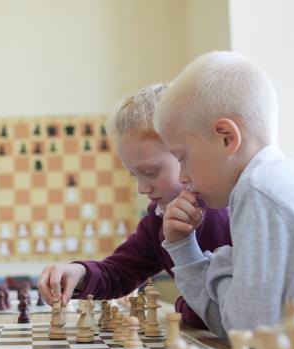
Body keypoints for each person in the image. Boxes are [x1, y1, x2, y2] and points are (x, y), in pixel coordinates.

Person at [156, 51, 294, 349]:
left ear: (227, 137)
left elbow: (246, 333)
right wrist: (190, 251)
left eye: (181, 157)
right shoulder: (274, 180)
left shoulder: (260, 188)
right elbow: (237, 327)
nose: (183, 176)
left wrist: (221, 262)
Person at [37, 84, 232, 328]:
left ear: (185, 154)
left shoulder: (221, 210)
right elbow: (121, 271)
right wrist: (80, 272)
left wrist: (185, 307)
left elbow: (220, 307)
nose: (142, 188)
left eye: (150, 172)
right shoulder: (158, 218)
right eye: (134, 175)